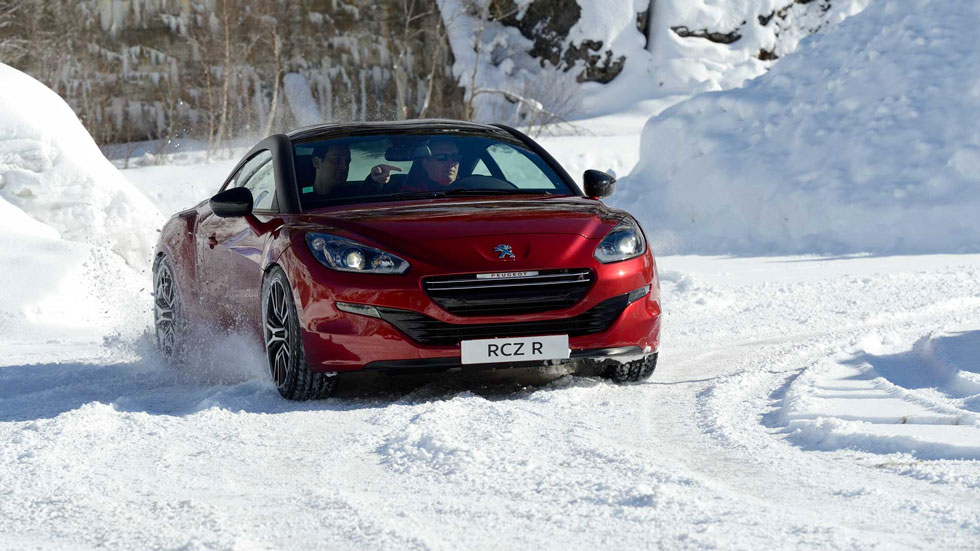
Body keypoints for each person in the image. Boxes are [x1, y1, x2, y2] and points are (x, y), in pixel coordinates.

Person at [310, 143, 401, 197]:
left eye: (347, 161)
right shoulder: (301, 202)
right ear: (317, 162)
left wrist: (375, 179)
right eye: (337, 160)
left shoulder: (354, 195)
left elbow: (367, 191)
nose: (344, 166)